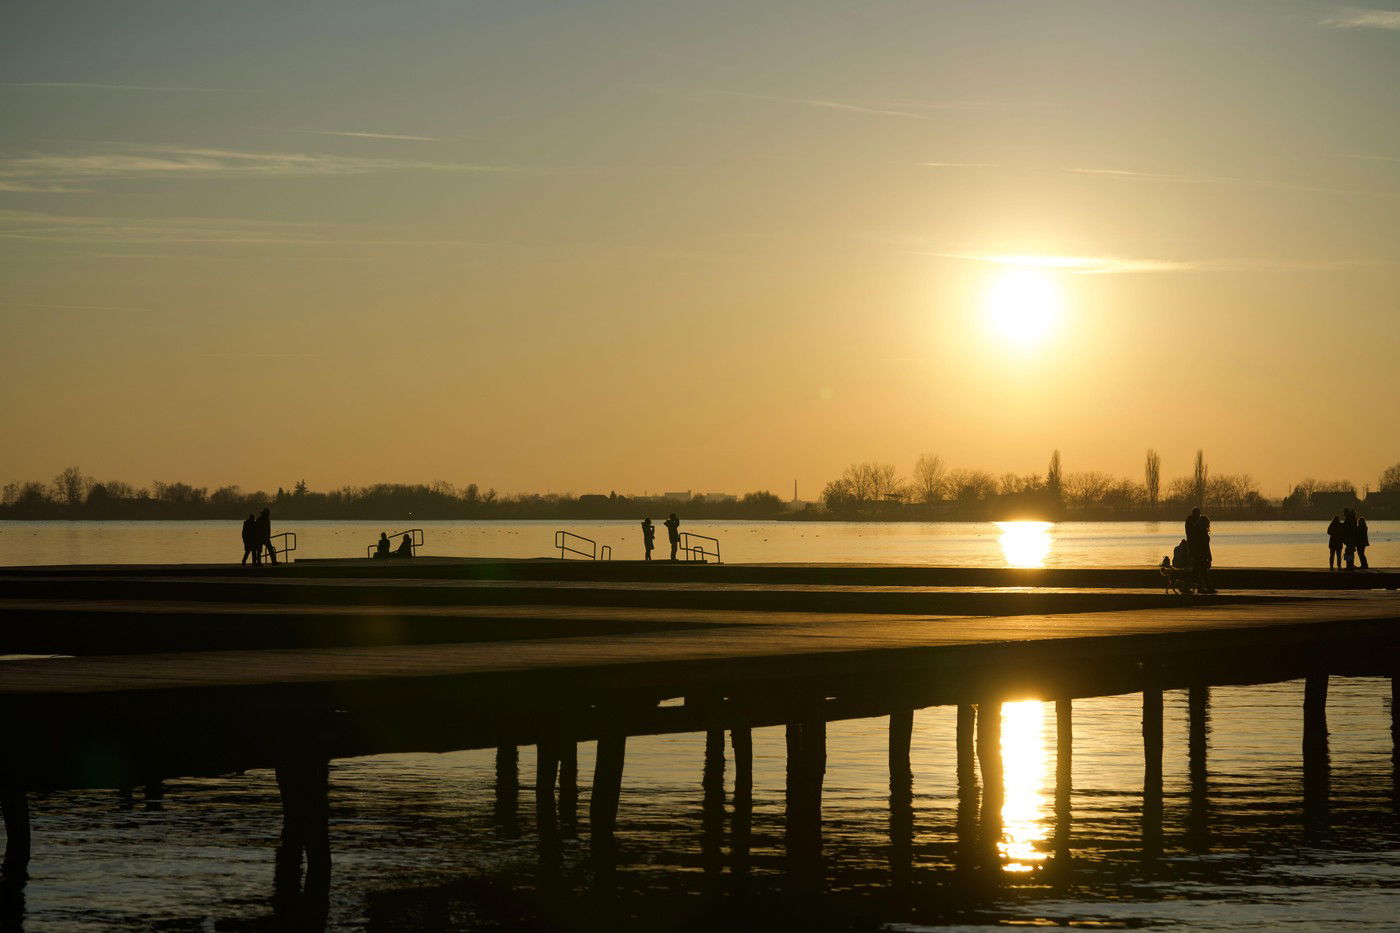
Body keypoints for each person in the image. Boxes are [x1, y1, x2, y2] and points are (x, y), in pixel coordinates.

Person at [1188, 513, 1215, 593]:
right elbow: (1206, 546)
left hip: (1198, 555)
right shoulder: (1201, 533)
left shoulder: (1196, 532)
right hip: (1201, 555)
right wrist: (1209, 558)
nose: (1208, 525)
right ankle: (1208, 588)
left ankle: (1186, 586)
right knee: (1201, 573)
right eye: (1207, 523)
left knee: (1198, 573)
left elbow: (1193, 545)